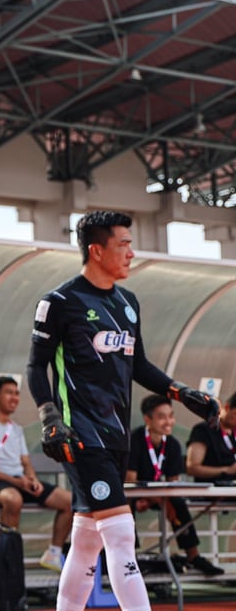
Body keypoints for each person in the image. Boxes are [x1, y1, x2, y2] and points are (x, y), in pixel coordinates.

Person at [27, 210, 218, 611]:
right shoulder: (59, 302)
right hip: (80, 436)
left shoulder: (127, 302)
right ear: (97, 250)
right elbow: (35, 366)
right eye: (124, 244)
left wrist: (184, 394)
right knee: (120, 535)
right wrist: (50, 417)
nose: (132, 253)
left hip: (116, 438)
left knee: (86, 540)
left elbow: (140, 366)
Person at [0, 375, 72, 572]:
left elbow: (25, 461)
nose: (14, 398)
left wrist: (32, 479)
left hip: (20, 482)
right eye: (9, 393)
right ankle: (8, 557)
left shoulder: (16, 429)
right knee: (13, 500)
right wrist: (16, 482)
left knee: (70, 501)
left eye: (17, 393)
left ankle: (54, 553)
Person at [125, 394, 224, 576]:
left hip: (156, 494)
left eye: (171, 416)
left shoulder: (172, 444)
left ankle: (194, 556)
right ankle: (129, 558)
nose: (168, 421)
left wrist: (159, 499)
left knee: (177, 502)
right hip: (132, 492)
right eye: (162, 417)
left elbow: (173, 482)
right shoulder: (135, 440)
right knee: (127, 506)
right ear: (148, 419)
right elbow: (130, 481)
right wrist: (152, 498)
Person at [186, 390, 236, 483]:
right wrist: (227, 470)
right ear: (227, 407)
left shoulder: (233, 433)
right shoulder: (204, 430)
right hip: (210, 491)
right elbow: (192, 468)